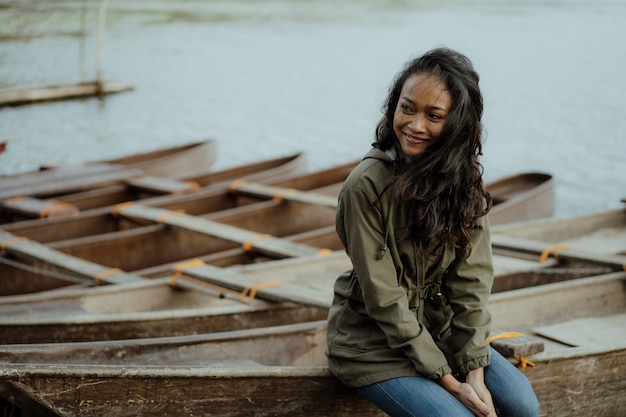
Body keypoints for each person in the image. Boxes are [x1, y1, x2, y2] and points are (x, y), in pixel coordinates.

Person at [326, 47, 539, 417]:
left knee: (522, 405)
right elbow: (385, 299)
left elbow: (471, 284)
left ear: (457, 123)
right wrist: (451, 383)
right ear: (394, 105)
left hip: (440, 332)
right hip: (373, 344)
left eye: (434, 115)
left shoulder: (464, 182)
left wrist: (473, 371)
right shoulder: (364, 188)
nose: (415, 124)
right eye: (407, 108)